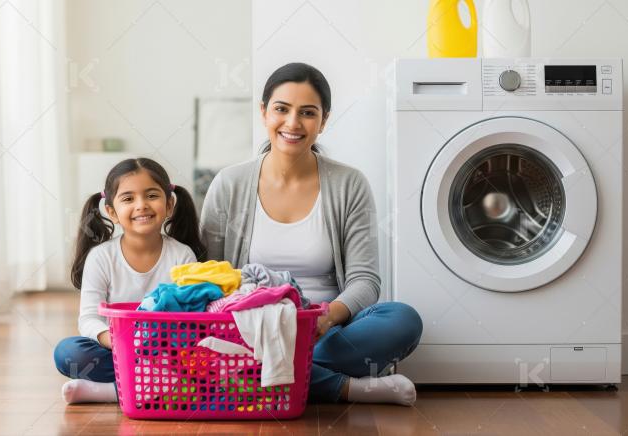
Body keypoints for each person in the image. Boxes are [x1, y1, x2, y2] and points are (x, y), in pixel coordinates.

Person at [200, 62, 423, 405]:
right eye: (281, 109)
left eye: (307, 112)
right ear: (263, 113)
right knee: (203, 342)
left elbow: (365, 280)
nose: (292, 123)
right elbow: (207, 278)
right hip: (250, 331)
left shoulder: (349, 184)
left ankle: (258, 376)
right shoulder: (229, 184)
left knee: (402, 320)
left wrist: (326, 316)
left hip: (326, 332)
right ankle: (342, 387)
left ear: (324, 120)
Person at [53, 158, 205, 404]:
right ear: (112, 212)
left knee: (203, 357)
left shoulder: (182, 255)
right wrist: (116, 341)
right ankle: (156, 386)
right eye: (128, 199)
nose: (141, 205)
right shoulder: (101, 257)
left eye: (152, 196)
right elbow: (89, 318)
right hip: (118, 350)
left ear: (169, 205)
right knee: (68, 352)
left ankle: (112, 391)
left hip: (167, 352)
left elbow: (190, 316)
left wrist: (160, 346)